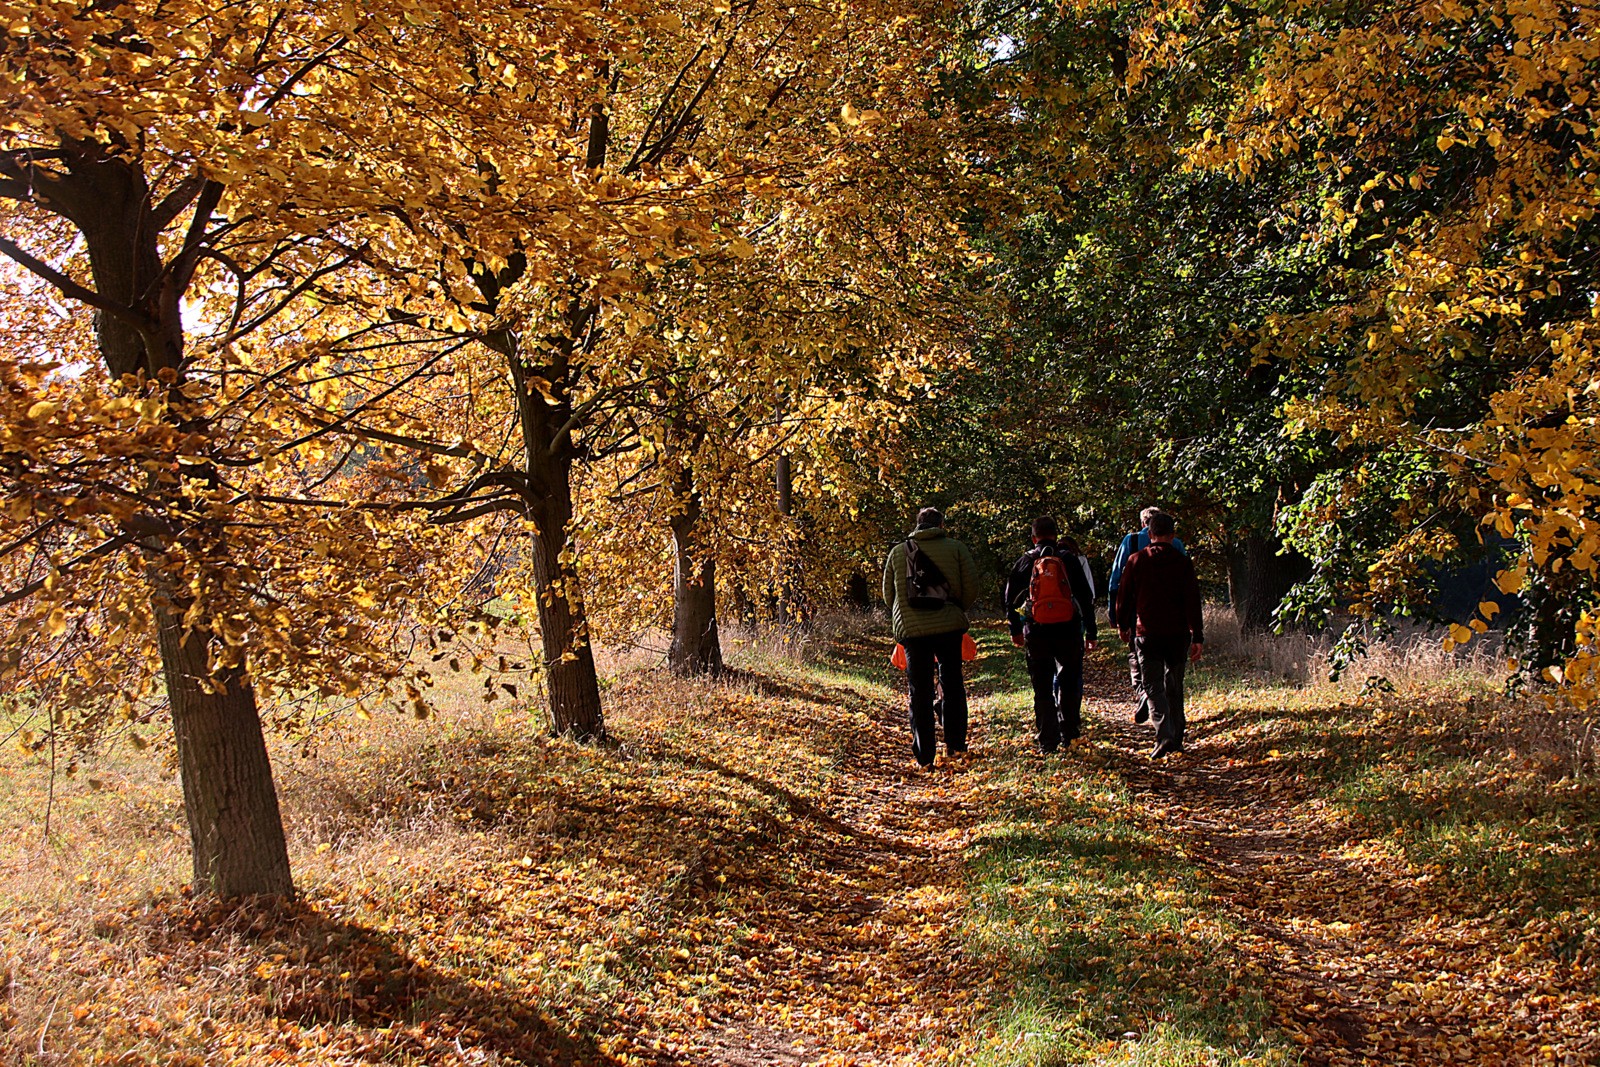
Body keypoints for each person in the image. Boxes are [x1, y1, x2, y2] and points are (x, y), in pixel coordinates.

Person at [882, 507, 980, 770]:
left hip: (913, 632)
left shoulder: (898, 553)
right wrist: (956, 607)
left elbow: (888, 597)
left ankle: (925, 755)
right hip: (949, 627)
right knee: (952, 684)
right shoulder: (956, 548)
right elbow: (971, 587)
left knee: (919, 690)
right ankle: (956, 746)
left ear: (917, 524)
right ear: (941, 524)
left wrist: (905, 613)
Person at [1003, 517, 1098, 753]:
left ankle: (1047, 740)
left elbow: (1008, 598)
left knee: (1042, 686)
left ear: (1033, 537)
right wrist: (1091, 631)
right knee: (1069, 681)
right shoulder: (1068, 559)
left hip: (1037, 630)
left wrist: (1015, 629)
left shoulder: (1026, 561)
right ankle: (1070, 734)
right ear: (1056, 535)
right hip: (1068, 628)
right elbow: (1086, 598)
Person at [1116, 511, 1203, 758]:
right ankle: (1176, 737)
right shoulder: (1183, 562)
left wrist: (1123, 625)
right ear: (1173, 536)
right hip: (1177, 634)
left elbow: (1124, 597)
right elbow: (1192, 601)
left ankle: (1164, 733)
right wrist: (1197, 636)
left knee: (1153, 686)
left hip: (1147, 633)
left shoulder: (1136, 560)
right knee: (1174, 685)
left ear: (1150, 534)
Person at [1107, 507, 1185, 724]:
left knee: (1137, 652)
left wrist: (1115, 614)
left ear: (1144, 525)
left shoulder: (1130, 542)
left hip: (1137, 610)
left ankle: (1144, 692)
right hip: (1171, 612)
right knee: (1169, 664)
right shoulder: (1175, 544)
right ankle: (1167, 710)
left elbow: (1116, 580)